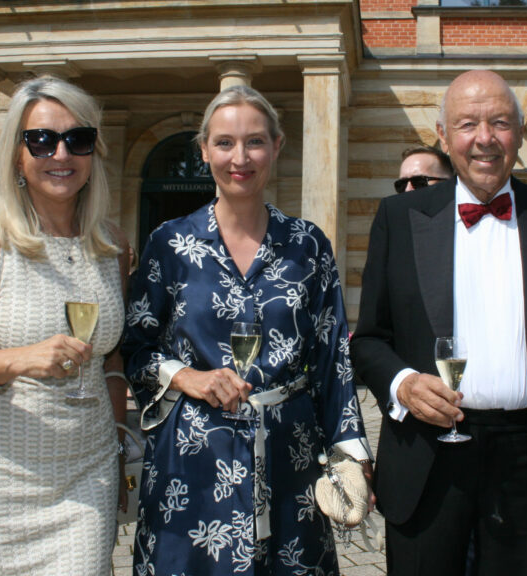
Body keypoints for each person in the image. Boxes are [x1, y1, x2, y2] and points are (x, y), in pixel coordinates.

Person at [350, 70, 527, 575]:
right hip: (427, 458)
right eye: (467, 124)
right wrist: (403, 383)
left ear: (519, 134)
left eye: (499, 123)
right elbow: (368, 341)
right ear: (442, 135)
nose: (484, 138)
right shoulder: (399, 217)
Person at [122, 85, 373, 575]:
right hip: (191, 460)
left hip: (289, 457)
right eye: (224, 143)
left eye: (255, 142)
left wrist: (348, 451)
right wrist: (185, 376)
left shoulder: (308, 245)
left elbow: (332, 358)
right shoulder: (169, 243)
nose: (240, 157)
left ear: (277, 147)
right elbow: (135, 346)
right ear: (204, 151)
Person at [0, 76, 130, 575]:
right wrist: (15, 360)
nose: (61, 153)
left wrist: (120, 439)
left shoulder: (111, 246)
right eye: (42, 140)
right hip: (2, 481)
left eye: (76, 139)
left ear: (92, 153)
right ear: (17, 154)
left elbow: (111, 359)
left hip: (87, 472)